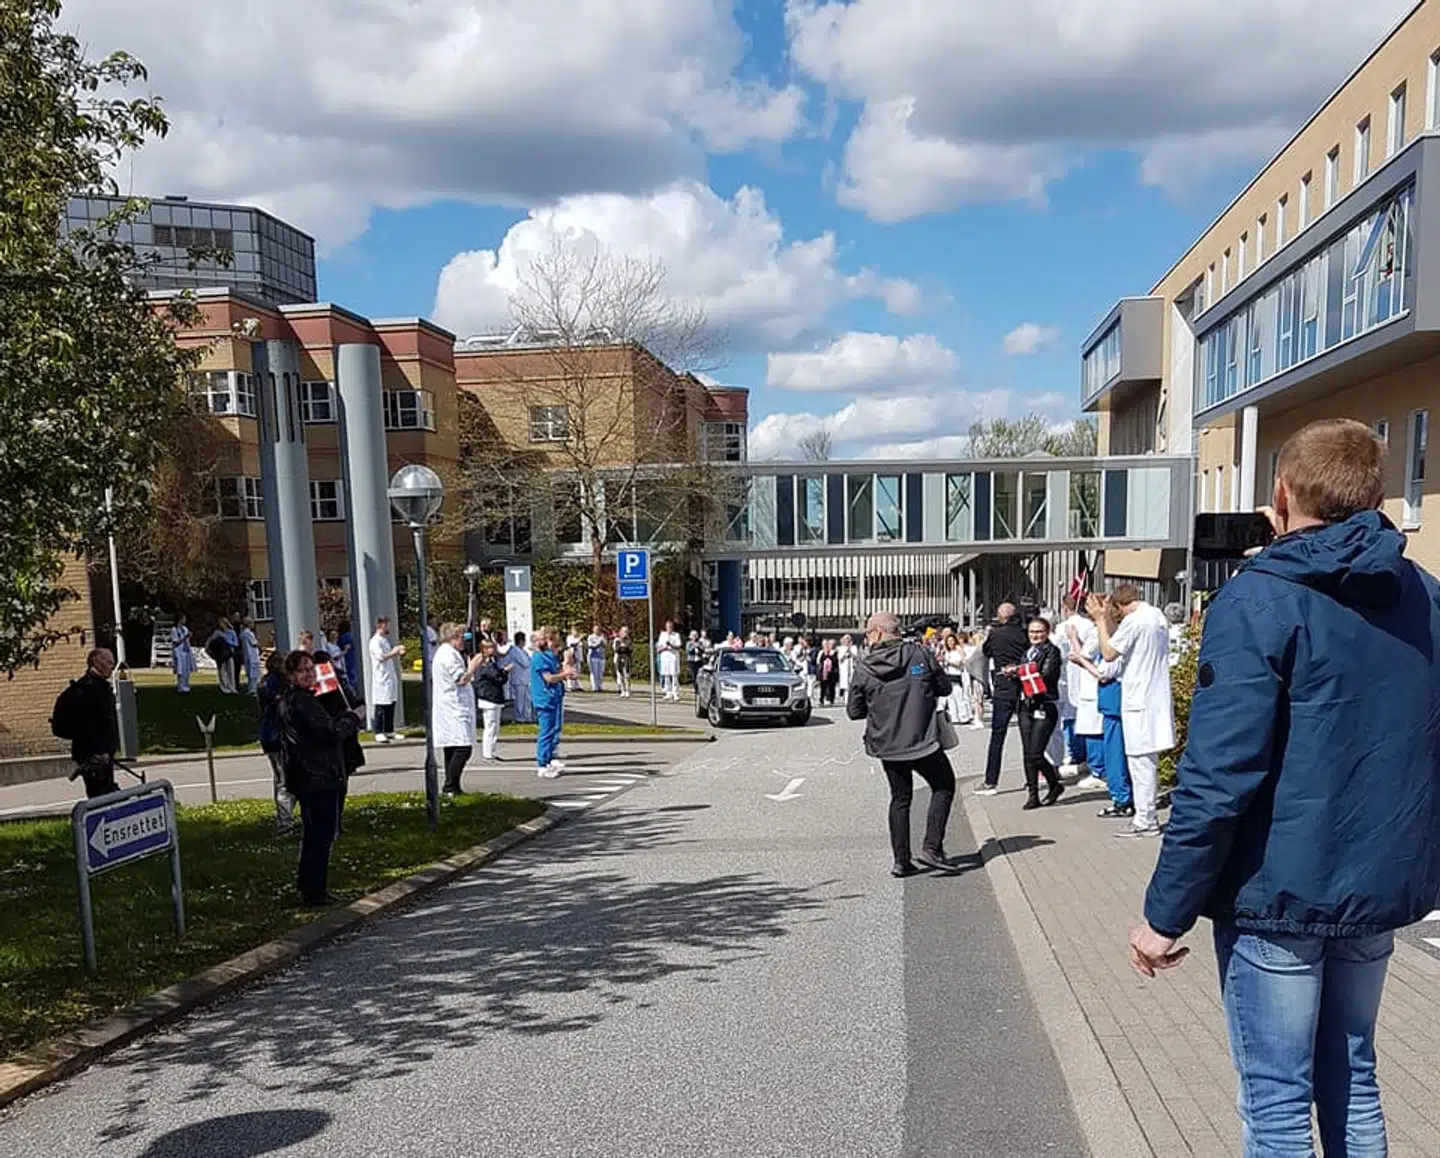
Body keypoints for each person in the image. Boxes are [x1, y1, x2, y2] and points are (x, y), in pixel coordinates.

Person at [1130, 418, 1440, 1154]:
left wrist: (1163, 912)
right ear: (1375, 492)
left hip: (1278, 891)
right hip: (1374, 881)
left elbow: (1217, 776)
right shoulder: (1424, 594)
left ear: (1280, 494)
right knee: (1354, 1076)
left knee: (1275, 1099)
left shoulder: (1258, 599)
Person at [846, 612, 956, 878]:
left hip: (887, 742)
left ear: (876, 633)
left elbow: (854, 711)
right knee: (943, 785)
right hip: (922, 739)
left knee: (900, 797)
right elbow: (944, 688)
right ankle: (932, 847)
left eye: (868, 632)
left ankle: (901, 861)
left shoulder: (864, 665)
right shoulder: (920, 654)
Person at [1087, 584, 1175, 838]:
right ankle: (1145, 816)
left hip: (1140, 701)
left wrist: (1100, 620)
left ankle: (1145, 820)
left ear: (1118, 607)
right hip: (1154, 698)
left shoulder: (1134, 621)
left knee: (1140, 765)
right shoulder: (1156, 615)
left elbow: (1109, 652)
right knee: (1147, 764)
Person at [277, 649, 361, 907]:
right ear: (291, 675)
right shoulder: (301, 702)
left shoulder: (297, 700)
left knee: (315, 835)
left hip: (309, 775)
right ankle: (314, 891)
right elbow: (328, 732)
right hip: (317, 776)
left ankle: (311, 886)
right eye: (302, 670)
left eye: (310, 669)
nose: (308, 674)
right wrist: (351, 718)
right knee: (321, 836)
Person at [1066, 605, 1133, 820]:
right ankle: (1126, 797)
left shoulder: (1114, 646)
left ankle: (1122, 799)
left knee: (1115, 756)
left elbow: (1103, 673)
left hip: (1114, 704)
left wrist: (1082, 660)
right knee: (1122, 755)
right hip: (1117, 704)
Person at [52, 647, 120, 798]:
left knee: (106, 796)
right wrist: (99, 751)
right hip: (93, 758)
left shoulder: (98, 687)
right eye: (109, 662)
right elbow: (89, 725)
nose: (112, 666)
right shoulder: (88, 690)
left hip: (102, 756)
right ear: (96, 661)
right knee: (101, 798)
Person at [1012, 618, 1064, 810]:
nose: (1035, 635)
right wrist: (1013, 674)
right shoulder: (1027, 653)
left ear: (1047, 632)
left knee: (1035, 753)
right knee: (1027, 753)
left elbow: (1045, 675)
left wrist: (1018, 672)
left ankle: (1054, 784)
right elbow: (1023, 680)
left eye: (1039, 632)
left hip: (1044, 705)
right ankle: (1033, 794)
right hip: (1026, 706)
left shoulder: (1052, 651)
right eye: (1032, 632)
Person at [978, 603, 1028, 795]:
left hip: (1003, 686)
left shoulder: (996, 634)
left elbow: (986, 652)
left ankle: (991, 781)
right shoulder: (1024, 632)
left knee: (998, 735)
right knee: (1027, 735)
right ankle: (1031, 778)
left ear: (1000, 617)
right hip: (1024, 684)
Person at [432, 622, 485, 796]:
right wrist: (472, 667)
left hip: (453, 706)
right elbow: (461, 679)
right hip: (452, 707)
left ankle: (453, 786)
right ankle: (449, 785)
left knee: (452, 746)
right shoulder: (448, 655)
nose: (463, 641)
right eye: (461, 637)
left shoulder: (450, 653)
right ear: (452, 638)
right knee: (463, 747)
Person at [1055, 596, 1097, 781]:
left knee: (1071, 716)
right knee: (1083, 716)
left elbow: (1061, 654)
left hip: (1072, 672)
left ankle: (1077, 754)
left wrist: (1072, 639)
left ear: (1065, 607)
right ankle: (1086, 756)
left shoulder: (1063, 627)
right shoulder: (1088, 625)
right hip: (1083, 673)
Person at [256, 650, 296, 831]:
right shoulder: (277, 683)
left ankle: (285, 816)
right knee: (284, 779)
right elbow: (281, 707)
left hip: (269, 735)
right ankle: (284, 821)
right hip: (277, 735)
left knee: (282, 777)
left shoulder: (266, 682)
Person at [531, 627, 576, 778]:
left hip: (553, 697)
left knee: (552, 730)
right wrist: (565, 674)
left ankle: (549, 759)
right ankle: (542, 765)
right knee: (545, 732)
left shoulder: (548, 656)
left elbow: (558, 671)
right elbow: (549, 678)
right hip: (544, 699)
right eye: (544, 639)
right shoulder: (538, 658)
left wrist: (567, 666)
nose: (548, 642)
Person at [367, 616, 405, 742]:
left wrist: (396, 652)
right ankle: (378, 731)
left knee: (390, 703)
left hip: (389, 676)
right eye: (386, 625)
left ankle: (389, 730)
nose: (388, 628)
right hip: (381, 677)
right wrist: (395, 651)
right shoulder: (375, 641)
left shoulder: (385, 640)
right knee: (381, 705)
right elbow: (381, 657)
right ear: (380, 625)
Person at [473, 639, 510, 762]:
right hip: (488, 697)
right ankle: (487, 753)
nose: (492, 650)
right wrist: (505, 671)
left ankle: (491, 751)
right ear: (484, 649)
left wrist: (502, 672)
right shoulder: (485, 663)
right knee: (490, 726)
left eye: (493, 647)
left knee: (495, 727)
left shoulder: (492, 661)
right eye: (489, 648)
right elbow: (497, 678)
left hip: (493, 697)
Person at [939, 634, 972, 726]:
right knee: (951, 698)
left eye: (952, 641)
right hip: (948, 674)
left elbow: (960, 663)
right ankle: (954, 717)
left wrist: (948, 661)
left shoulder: (958, 650)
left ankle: (964, 716)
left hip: (957, 675)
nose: (951, 643)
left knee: (959, 696)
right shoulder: (946, 652)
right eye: (949, 641)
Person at [507, 631, 535, 722]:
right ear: (520, 641)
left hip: (526, 679)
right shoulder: (515, 650)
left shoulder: (523, 651)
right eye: (524, 640)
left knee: (527, 700)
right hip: (519, 680)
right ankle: (519, 718)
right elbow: (526, 663)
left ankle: (527, 717)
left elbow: (530, 661)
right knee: (520, 701)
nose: (525, 642)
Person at [963, 632, 987, 730]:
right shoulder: (980, 651)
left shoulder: (980, 651)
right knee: (976, 699)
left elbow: (970, 662)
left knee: (978, 700)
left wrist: (966, 661)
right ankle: (977, 718)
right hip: (975, 676)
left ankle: (979, 719)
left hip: (977, 677)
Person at [207, 619, 237, 694]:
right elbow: (210, 641)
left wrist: (227, 642)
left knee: (231, 670)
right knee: (222, 670)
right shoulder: (217, 633)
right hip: (220, 654)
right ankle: (224, 687)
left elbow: (236, 643)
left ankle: (232, 686)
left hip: (229, 653)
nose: (221, 625)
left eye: (223, 623)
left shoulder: (231, 632)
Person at [656, 620, 682, 701]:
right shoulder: (662, 635)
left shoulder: (676, 635)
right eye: (667, 627)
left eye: (670, 627)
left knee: (674, 676)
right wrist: (664, 648)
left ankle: (676, 694)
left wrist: (671, 645)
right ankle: (668, 693)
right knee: (666, 675)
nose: (669, 628)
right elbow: (659, 647)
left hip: (673, 657)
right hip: (665, 657)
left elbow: (678, 646)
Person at [170, 614, 195, 693]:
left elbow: (187, 639)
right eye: (183, 618)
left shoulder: (185, 628)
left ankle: (186, 685)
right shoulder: (174, 629)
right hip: (179, 651)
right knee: (181, 670)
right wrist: (185, 637)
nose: (185, 620)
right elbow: (176, 642)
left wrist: (189, 636)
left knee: (187, 670)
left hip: (186, 650)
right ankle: (181, 687)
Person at [239, 617, 261, 693]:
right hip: (253, 656)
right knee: (254, 674)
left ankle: (250, 688)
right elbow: (255, 643)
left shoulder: (242, 633)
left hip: (247, 655)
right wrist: (258, 640)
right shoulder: (249, 633)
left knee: (249, 673)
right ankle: (253, 689)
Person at [817, 638, 840, 706]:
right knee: (823, 686)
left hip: (832, 672)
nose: (829, 646)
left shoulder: (835, 652)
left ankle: (831, 699)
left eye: (830, 644)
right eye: (828, 644)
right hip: (824, 672)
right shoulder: (822, 652)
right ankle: (821, 700)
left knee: (831, 686)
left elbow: (835, 661)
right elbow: (820, 661)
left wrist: (829, 656)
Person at [585, 625, 607, 693]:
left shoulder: (602, 637)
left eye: (598, 629)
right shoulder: (591, 637)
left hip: (601, 656)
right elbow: (591, 646)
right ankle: (594, 687)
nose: (597, 631)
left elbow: (604, 645)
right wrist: (598, 644)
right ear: (593, 630)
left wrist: (603, 640)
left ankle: (599, 685)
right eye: (596, 629)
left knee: (600, 672)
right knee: (594, 672)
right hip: (593, 656)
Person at [613, 627, 633, 698]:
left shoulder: (629, 640)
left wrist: (624, 647)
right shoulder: (617, 641)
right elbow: (616, 649)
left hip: (627, 658)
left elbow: (630, 649)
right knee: (620, 675)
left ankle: (628, 690)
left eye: (626, 632)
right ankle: (622, 690)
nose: (625, 634)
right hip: (619, 658)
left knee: (627, 675)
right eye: (623, 632)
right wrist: (622, 646)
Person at [836, 633, 856, 698]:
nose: (847, 641)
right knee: (846, 687)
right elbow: (840, 659)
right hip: (844, 670)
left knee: (852, 686)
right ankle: (846, 701)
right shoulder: (840, 648)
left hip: (852, 669)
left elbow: (856, 657)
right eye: (846, 640)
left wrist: (849, 650)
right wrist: (845, 654)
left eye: (848, 640)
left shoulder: (854, 647)